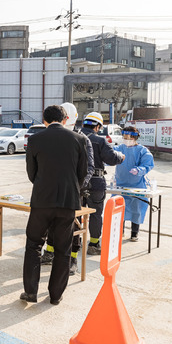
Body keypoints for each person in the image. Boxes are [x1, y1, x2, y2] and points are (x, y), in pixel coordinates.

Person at [21, 105, 88, 305]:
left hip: (42, 200)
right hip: (68, 202)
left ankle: (31, 292)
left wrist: (44, 186)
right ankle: (55, 295)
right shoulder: (80, 140)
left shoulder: (35, 140)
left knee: (34, 245)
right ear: (65, 119)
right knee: (62, 249)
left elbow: (31, 173)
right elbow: (82, 174)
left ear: (44, 120)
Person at [41, 102, 94, 275]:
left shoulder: (83, 140)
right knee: (50, 223)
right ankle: (49, 252)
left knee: (74, 227)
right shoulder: (52, 137)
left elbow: (89, 168)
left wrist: (76, 188)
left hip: (74, 193)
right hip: (52, 191)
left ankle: (72, 259)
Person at [78, 112, 125, 255]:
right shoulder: (100, 141)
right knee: (96, 214)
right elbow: (112, 158)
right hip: (96, 183)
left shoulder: (75, 138)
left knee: (76, 212)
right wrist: (121, 157)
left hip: (78, 182)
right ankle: (93, 244)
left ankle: (75, 241)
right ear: (97, 126)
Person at [114, 126, 154, 241]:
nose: (126, 139)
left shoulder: (142, 150)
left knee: (136, 210)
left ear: (135, 138)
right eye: (124, 137)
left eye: (128, 137)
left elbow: (148, 164)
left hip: (136, 185)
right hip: (120, 184)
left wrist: (139, 170)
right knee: (119, 209)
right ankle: (120, 232)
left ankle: (134, 233)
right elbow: (109, 155)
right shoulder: (119, 148)